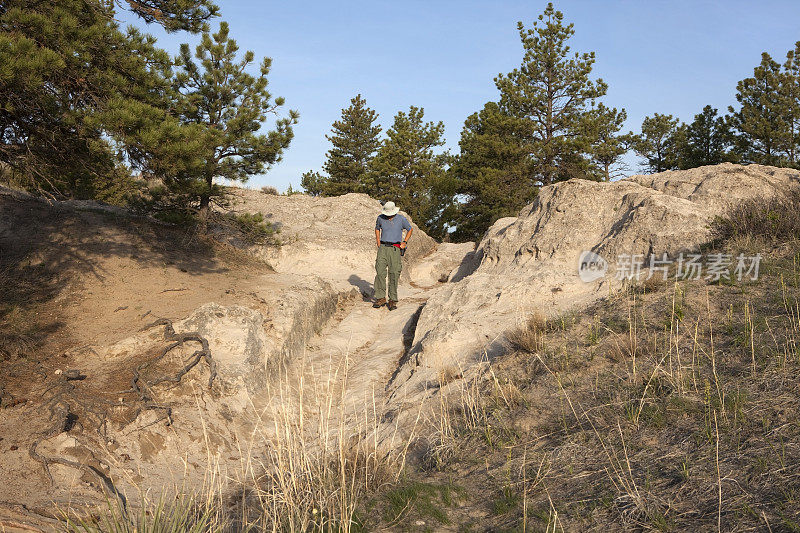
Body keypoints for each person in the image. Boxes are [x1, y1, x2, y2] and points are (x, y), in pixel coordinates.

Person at [373, 201, 412, 310]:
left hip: (395, 248)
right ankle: (380, 298)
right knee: (380, 272)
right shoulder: (380, 218)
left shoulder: (401, 219)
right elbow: (377, 228)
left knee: (394, 273)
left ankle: (392, 300)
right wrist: (378, 240)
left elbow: (410, 229)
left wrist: (405, 242)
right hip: (383, 248)